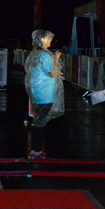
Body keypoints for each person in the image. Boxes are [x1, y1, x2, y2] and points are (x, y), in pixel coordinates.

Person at [24, 30, 64, 159]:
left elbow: (40, 71)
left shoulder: (34, 53)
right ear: (41, 39)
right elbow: (51, 72)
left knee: (38, 121)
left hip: (37, 92)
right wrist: (56, 59)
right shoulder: (45, 54)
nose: (50, 40)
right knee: (40, 123)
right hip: (44, 93)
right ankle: (36, 150)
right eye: (48, 38)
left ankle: (36, 149)